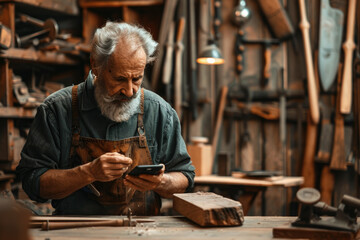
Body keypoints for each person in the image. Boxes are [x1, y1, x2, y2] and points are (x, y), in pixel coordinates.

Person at [16, 21, 195, 215]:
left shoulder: (159, 111)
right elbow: (32, 182)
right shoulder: (57, 110)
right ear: (95, 65)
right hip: (75, 233)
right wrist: (88, 173)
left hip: (142, 233)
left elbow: (185, 177)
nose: (129, 91)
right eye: (119, 79)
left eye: (136, 79)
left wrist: (161, 182)